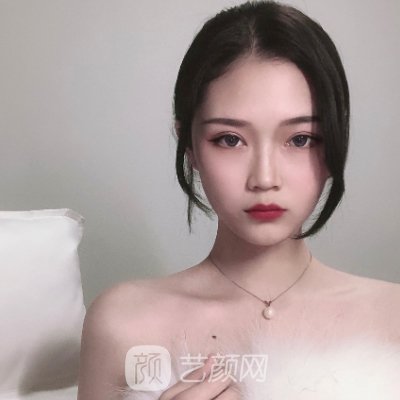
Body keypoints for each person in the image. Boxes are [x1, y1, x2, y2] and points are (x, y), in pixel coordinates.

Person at [77, 1, 400, 399]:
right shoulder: (122, 324)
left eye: (300, 139)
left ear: (335, 141)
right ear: (190, 146)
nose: (264, 178)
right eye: (230, 140)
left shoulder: (393, 318)